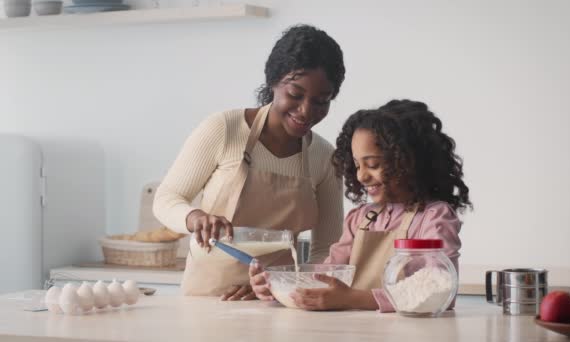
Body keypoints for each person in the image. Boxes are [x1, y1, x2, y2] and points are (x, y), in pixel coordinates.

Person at [153, 24, 346, 300]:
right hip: (207, 298)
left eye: (321, 101)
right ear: (274, 81)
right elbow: (166, 198)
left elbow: (326, 250)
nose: (306, 111)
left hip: (277, 303)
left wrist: (280, 285)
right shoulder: (224, 129)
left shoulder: (324, 158)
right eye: (295, 94)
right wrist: (194, 217)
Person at [250, 99, 472, 311]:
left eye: (373, 164)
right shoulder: (360, 219)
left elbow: (440, 290)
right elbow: (327, 275)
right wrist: (277, 283)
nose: (362, 176)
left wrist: (352, 299)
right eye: (357, 165)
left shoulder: (433, 217)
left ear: (408, 160)